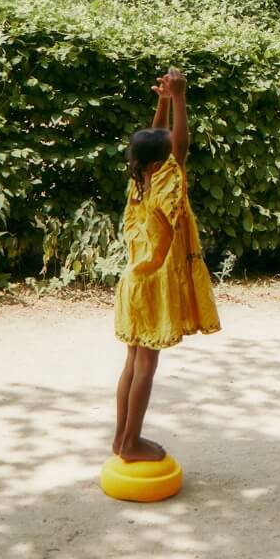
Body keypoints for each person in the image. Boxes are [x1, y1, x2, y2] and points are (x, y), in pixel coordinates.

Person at [112, 69, 220, 462]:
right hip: (154, 285)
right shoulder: (167, 182)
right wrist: (178, 98)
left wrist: (160, 103)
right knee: (145, 369)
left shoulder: (139, 179)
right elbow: (180, 146)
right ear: (164, 161)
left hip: (134, 283)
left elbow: (154, 140)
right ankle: (132, 443)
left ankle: (121, 439)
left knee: (131, 365)